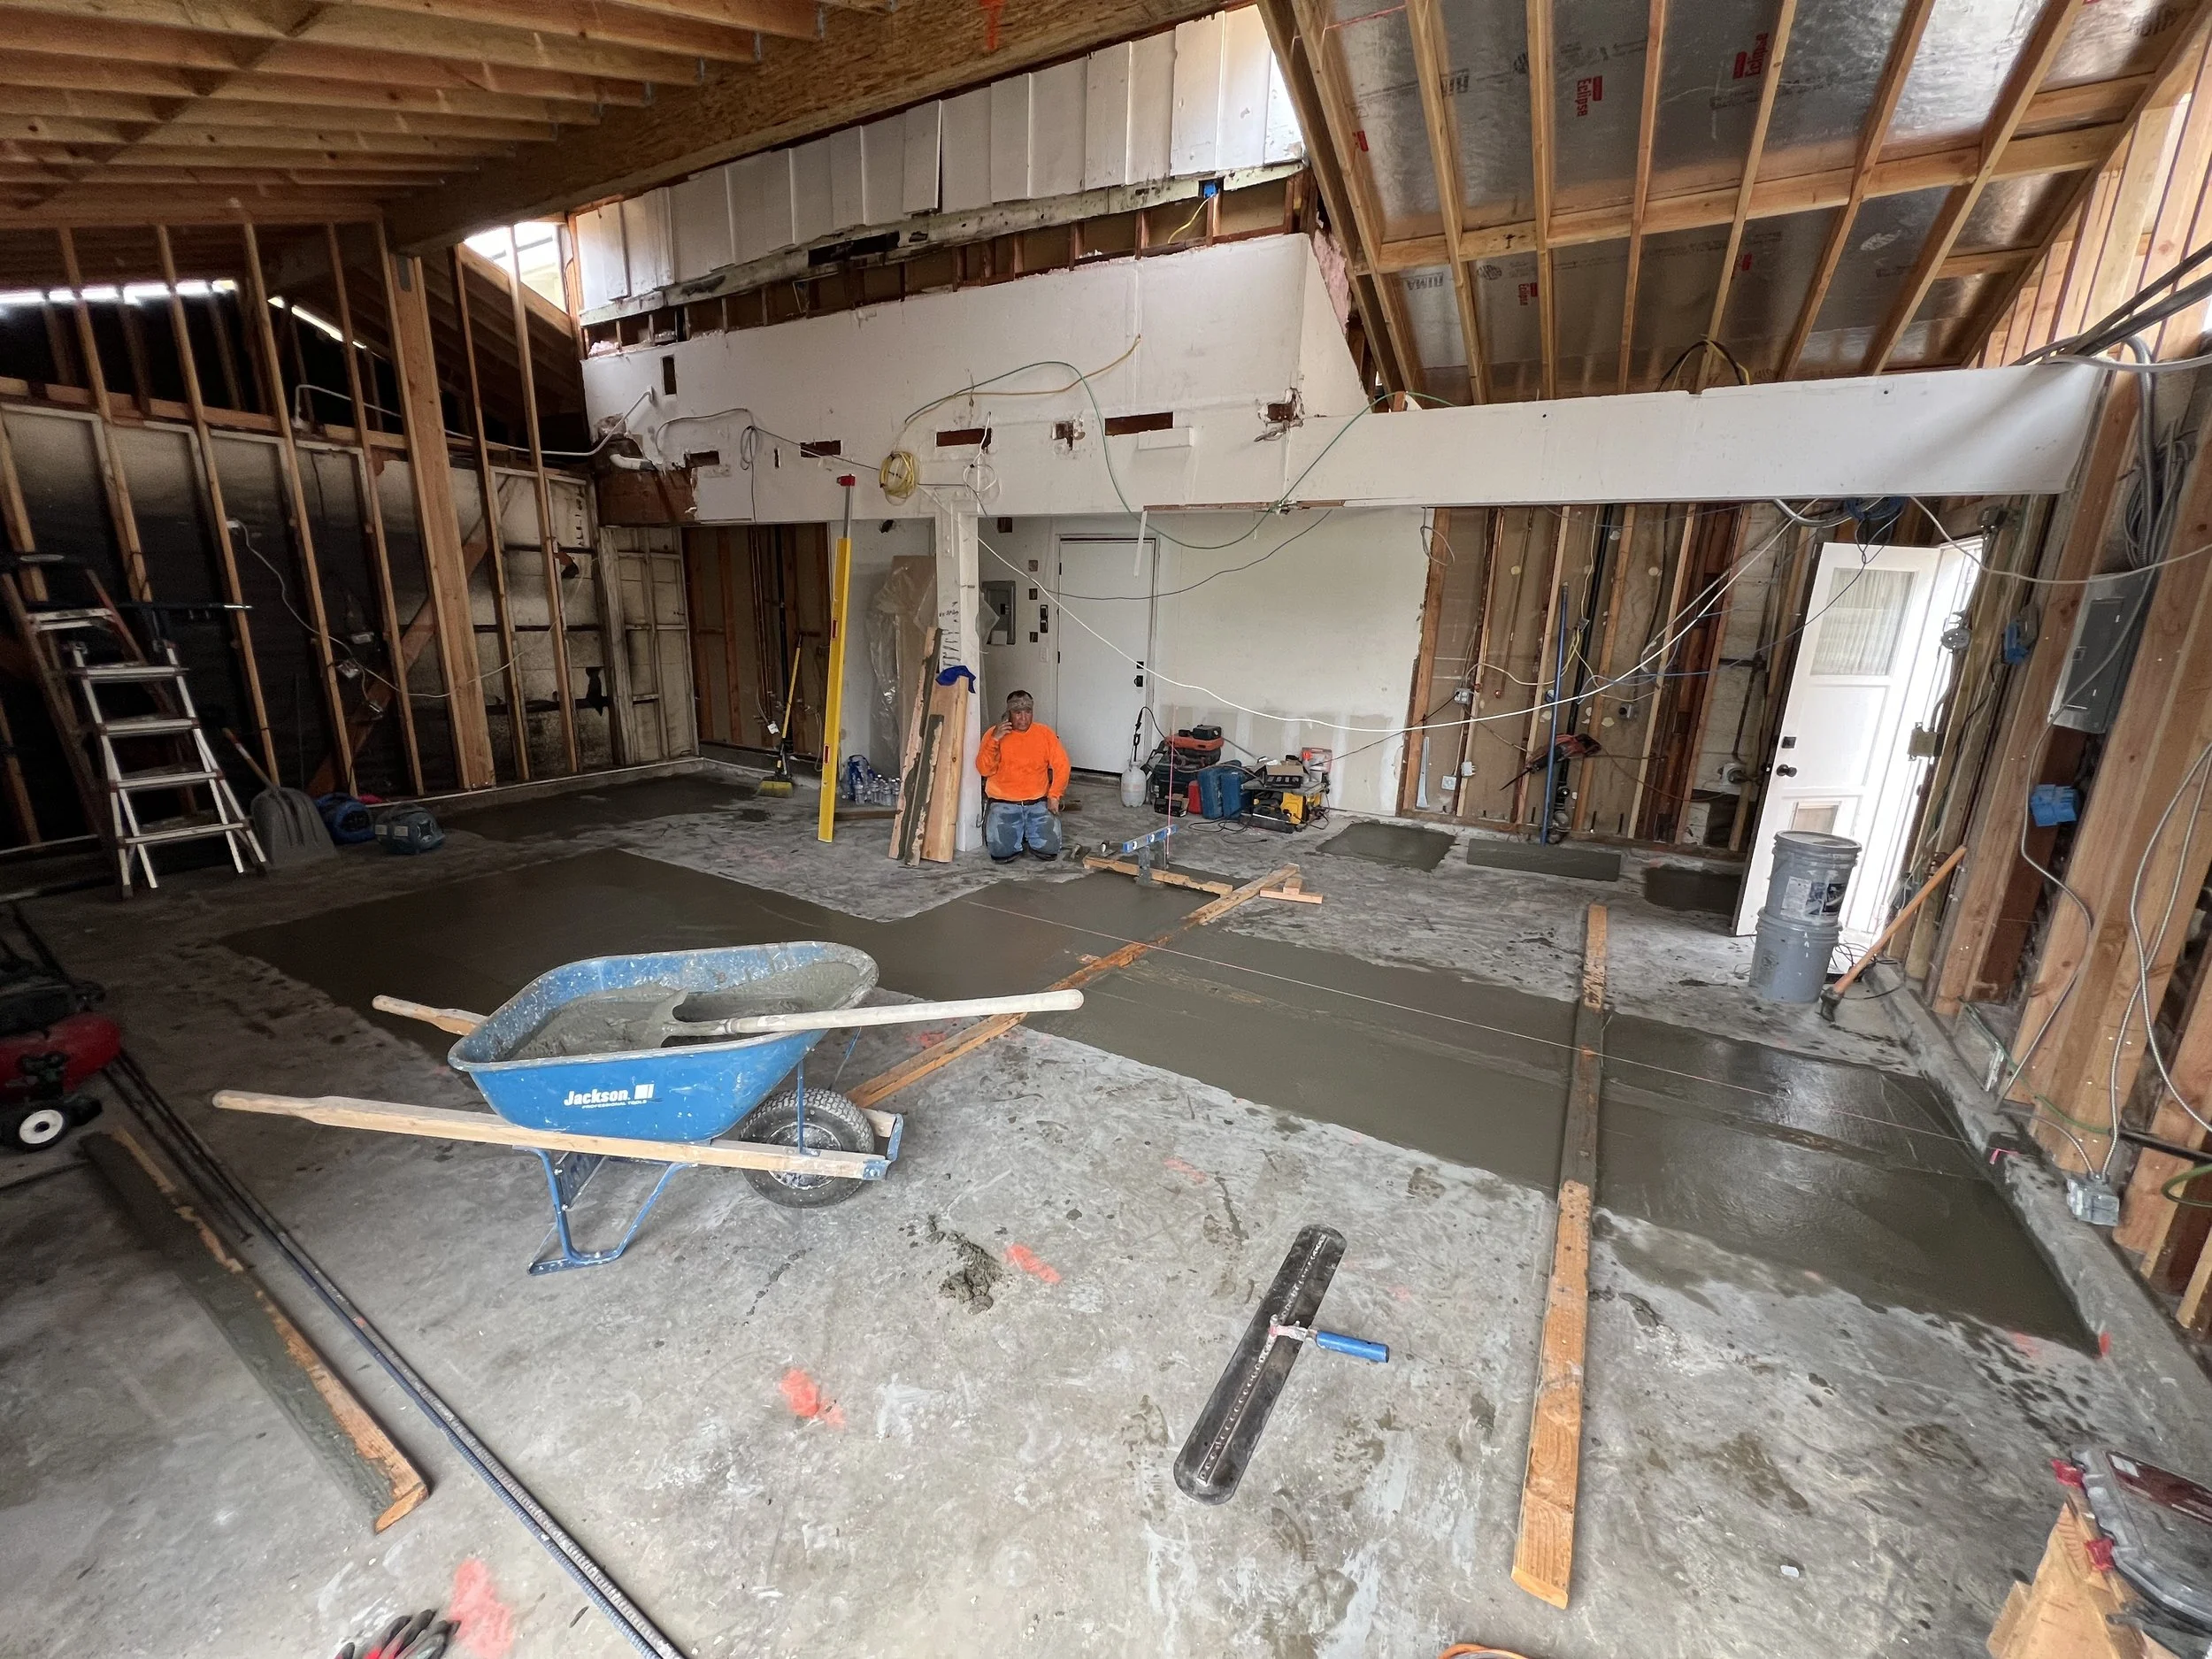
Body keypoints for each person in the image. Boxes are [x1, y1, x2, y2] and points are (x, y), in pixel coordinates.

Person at [976, 690, 1071, 862]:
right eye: (1018, 713)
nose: (1023, 718)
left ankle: (1026, 831)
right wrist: (995, 740)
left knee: (1049, 851)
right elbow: (984, 770)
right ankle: (1017, 832)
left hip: (1038, 802)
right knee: (1002, 855)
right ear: (1009, 714)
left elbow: (1062, 765)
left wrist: (1055, 795)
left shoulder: (1044, 733)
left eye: (1028, 712)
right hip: (1003, 802)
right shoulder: (994, 733)